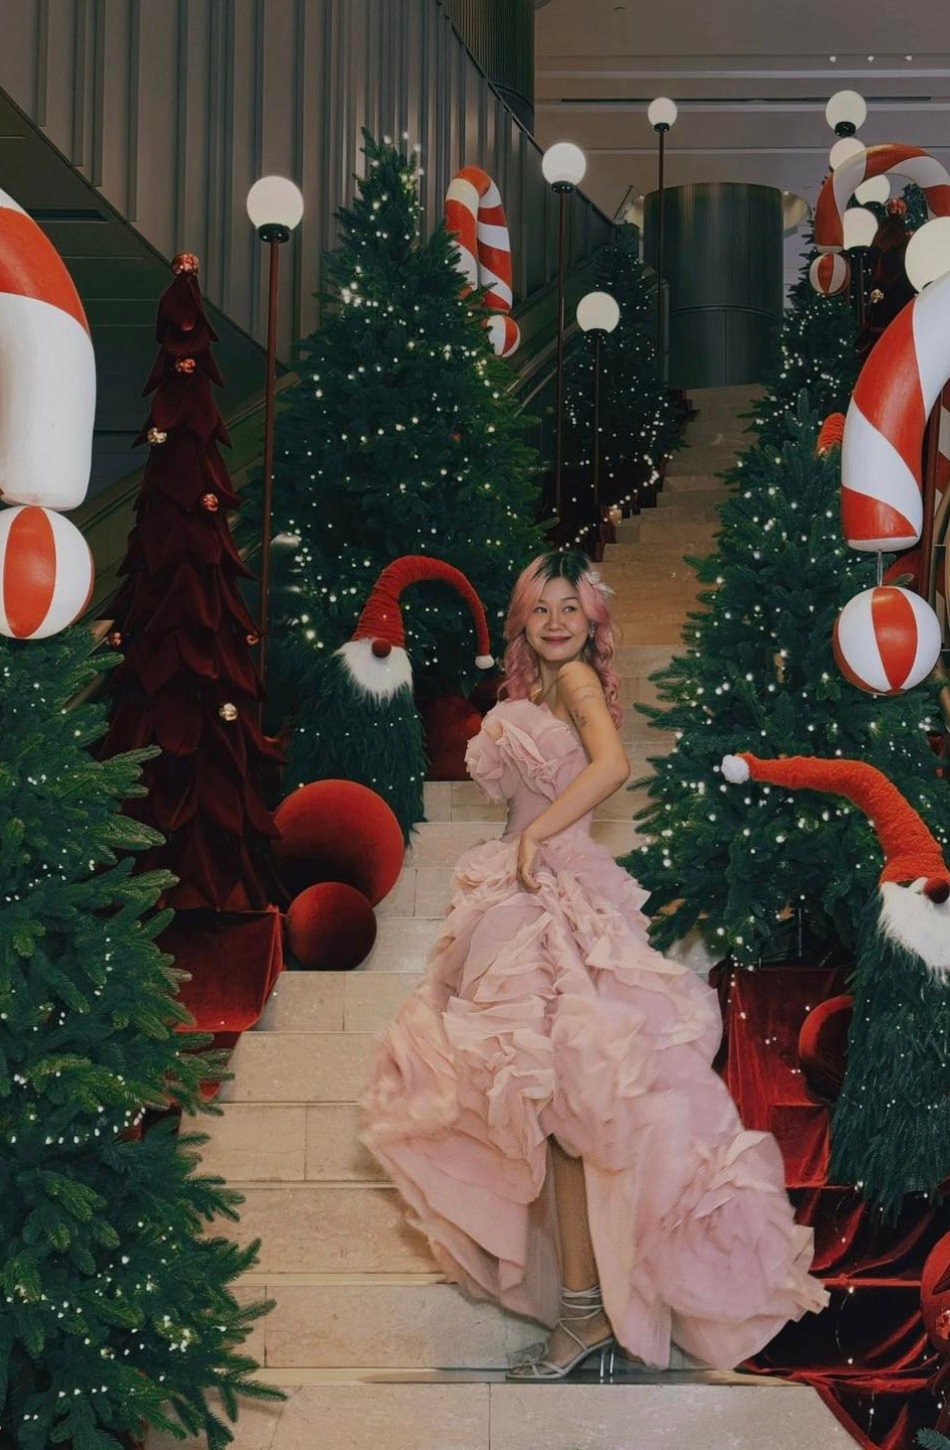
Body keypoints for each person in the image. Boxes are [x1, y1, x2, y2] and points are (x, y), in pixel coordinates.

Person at [361, 550, 828, 1379]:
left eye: (570, 608)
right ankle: (583, 1307)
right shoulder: (532, 691)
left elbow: (613, 766)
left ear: (592, 621)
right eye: (541, 609)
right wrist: (514, 856)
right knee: (550, 1117)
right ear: (522, 619)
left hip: (555, 895)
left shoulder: (575, 681)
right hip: (520, 894)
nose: (555, 623)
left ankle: (585, 1313)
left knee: (566, 1115)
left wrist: (537, 837)